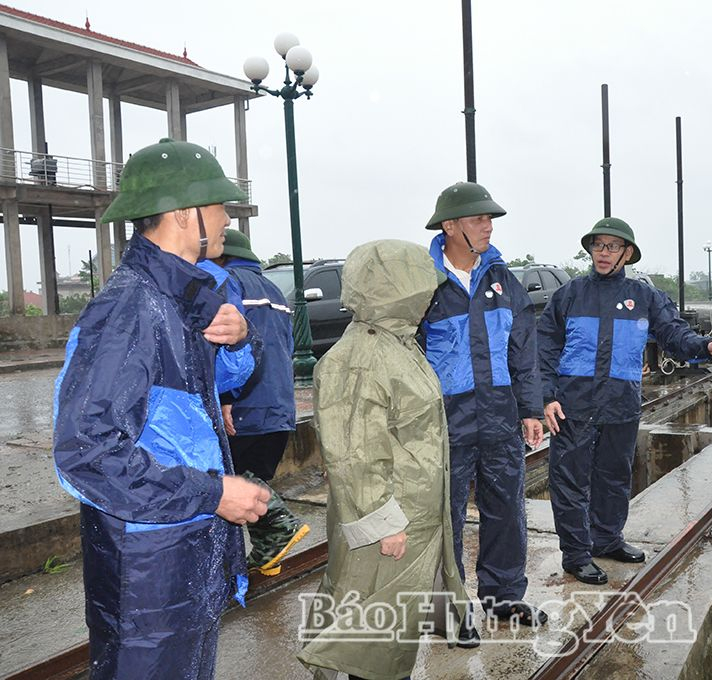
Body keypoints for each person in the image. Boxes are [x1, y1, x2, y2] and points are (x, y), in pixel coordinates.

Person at [52, 138, 270, 679]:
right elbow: (86, 454)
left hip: (183, 553)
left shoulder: (182, 300)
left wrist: (241, 340)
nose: (227, 217)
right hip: (149, 571)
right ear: (183, 214)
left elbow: (212, 391)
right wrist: (213, 492)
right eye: (219, 205)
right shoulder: (130, 309)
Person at [537, 217, 712, 585]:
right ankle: (575, 554)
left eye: (612, 246)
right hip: (574, 405)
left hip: (620, 404)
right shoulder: (569, 295)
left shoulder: (645, 297)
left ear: (627, 253)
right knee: (571, 481)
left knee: (614, 477)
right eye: (598, 246)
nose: (603, 253)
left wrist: (706, 346)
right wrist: (546, 397)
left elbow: (673, 333)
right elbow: (544, 348)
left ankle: (606, 539)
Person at [297, 240, 467, 680]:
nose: (431, 295)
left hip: (410, 518)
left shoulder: (396, 343)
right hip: (392, 526)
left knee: (386, 638)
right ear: (398, 289)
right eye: (425, 286)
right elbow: (355, 454)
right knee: (375, 646)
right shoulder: (360, 358)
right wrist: (384, 523)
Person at [420, 181, 547, 643]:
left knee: (506, 507)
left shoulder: (502, 279)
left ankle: (504, 595)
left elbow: (523, 351)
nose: (488, 226)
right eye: (478, 218)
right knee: (444, 515)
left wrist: (530, 408)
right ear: (450, 226)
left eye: (490, 218)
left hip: (498, 413)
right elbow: (407, 357)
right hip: (444, 419)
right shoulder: (423, 282)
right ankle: (447, 611)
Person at [206, 229, 310, 576]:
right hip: (280, 406)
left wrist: (223, 397)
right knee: (254, 479)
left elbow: (221, 347)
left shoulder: (226, 283)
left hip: (243, 405)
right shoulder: (276, 291)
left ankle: (279, 528)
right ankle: (268, 558)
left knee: (232, 484)